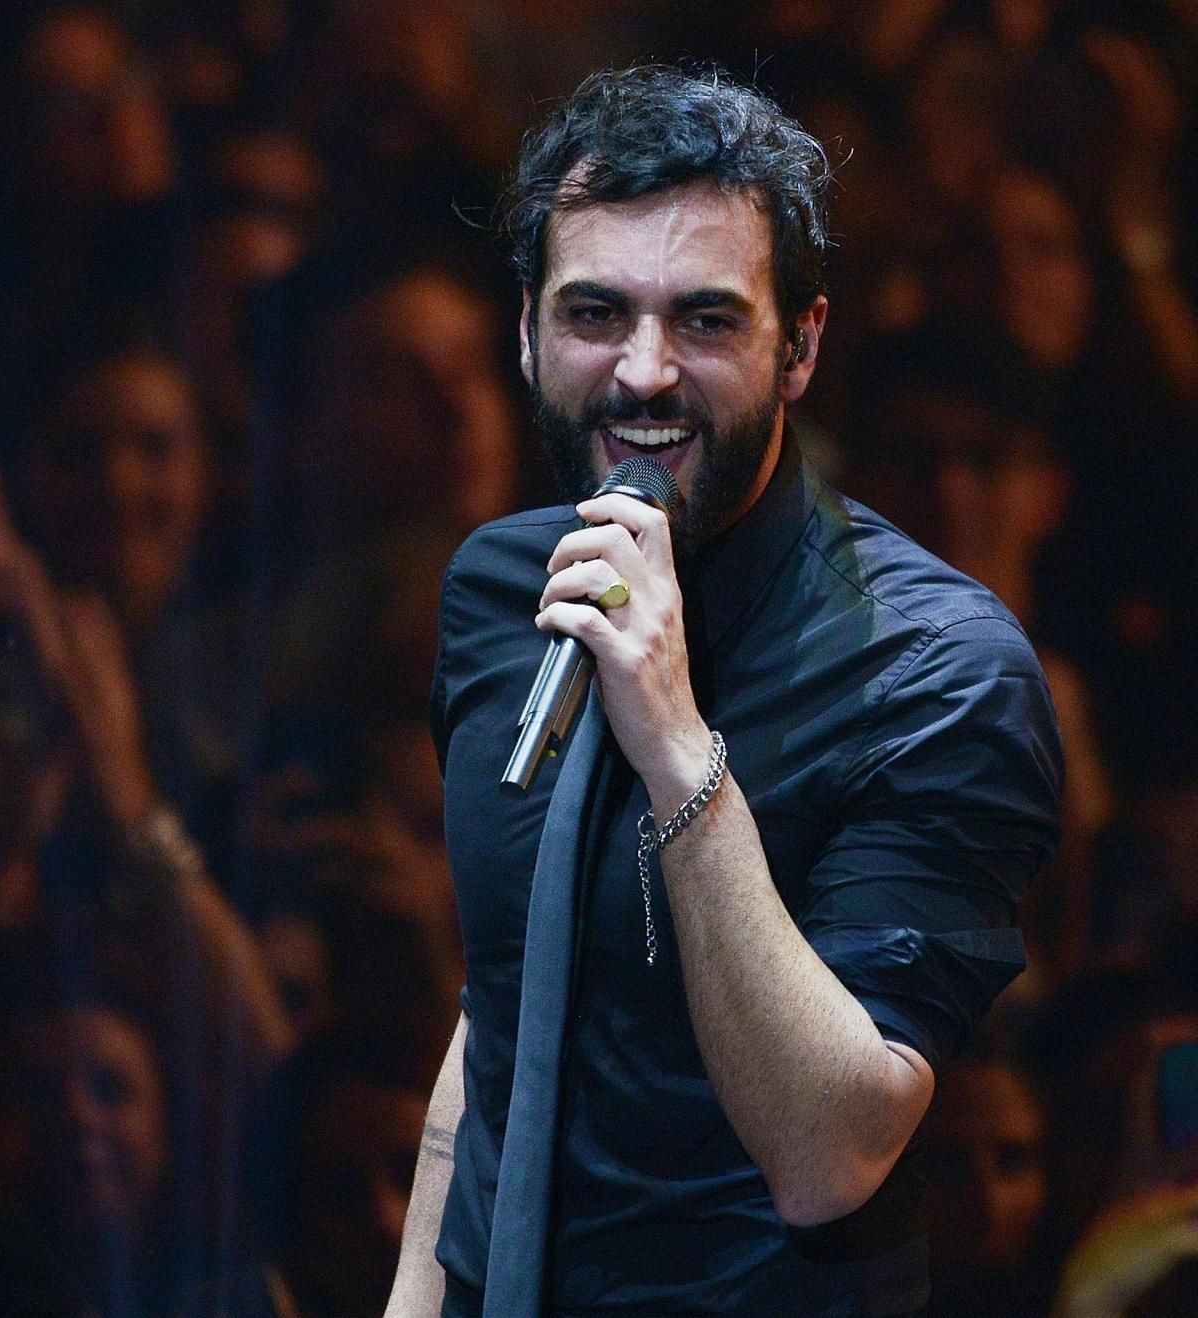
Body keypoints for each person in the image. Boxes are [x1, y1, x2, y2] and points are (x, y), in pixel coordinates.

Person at [386, 67, 1063, 1315]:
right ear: (527, 330)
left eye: (704, 320)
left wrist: (674, 737)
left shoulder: (938, 669)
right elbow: (505, 1015)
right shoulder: (501, 592)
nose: (643, 372)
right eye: (596, 313)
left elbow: (833, 1149)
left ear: (798, 345)